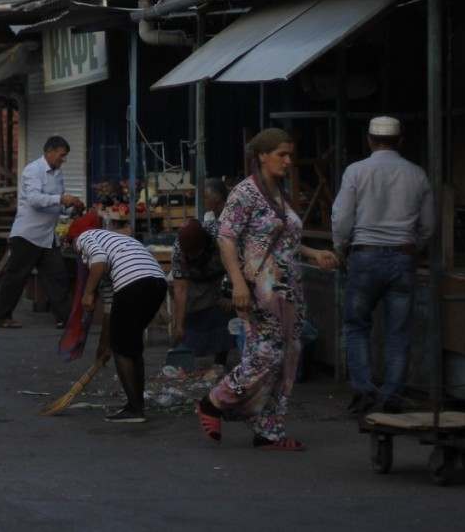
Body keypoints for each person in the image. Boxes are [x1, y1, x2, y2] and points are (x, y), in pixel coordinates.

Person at [195, 129, 338, 451]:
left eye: (290, 155)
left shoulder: (279, 193)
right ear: (262, 155)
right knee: (265, 355)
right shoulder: (246, 193)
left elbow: (284, 239)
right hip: (261, 289)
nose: (288, 161)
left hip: (288, 289)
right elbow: (226, 238)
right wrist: (239, 283)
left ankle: (269, 430)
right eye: (281, 155)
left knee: (288, 356)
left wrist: (314, 253)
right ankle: (215, 401)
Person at [332, 116, 435, 415]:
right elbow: (428, 225)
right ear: (400, 140)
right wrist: (414, 249)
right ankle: (390, 394)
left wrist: (341, 249)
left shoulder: (356, 171)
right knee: (398, 332)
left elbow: (341, 219)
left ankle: (364, 391)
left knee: (356, 326)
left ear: (369, 139)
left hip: (364, 257)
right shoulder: (417, 174)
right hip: (403, 257)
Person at [74, 215, 168, 423]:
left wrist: (88, 293)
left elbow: (98, 262)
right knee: (130, 345)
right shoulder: (119, 242)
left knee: (123, 349)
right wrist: (103, 345)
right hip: (157, 284)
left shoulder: (86, 237)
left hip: (132, 282)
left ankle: (134, 409)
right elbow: (110, 308)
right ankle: (136, 405)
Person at [0, 136, 84, 329]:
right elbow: (34, 199)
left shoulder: (58, 174)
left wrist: (70, 208)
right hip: (27, 235)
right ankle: (1, 317)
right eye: (61, 155)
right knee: (16, 277)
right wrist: (61, 199)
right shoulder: (33, 170)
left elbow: (57, 205)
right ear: (50, 151)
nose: (63, 159)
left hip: (47, 236)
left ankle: (66, 318)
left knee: (57, 277)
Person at [170, 178, 233, 365]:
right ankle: (191, 355)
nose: (193, 256)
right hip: (196, 284)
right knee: (191, 320)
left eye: (196, 252)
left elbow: (235, 264)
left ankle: (220, 360)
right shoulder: (179, 250)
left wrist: (229, 293)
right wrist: (178, 324)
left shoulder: (219, 237)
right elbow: (180, 289)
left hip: (220, 278)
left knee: (223, 314)